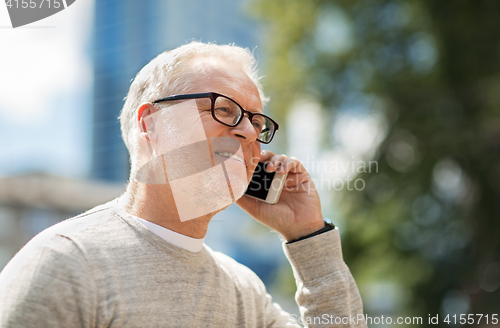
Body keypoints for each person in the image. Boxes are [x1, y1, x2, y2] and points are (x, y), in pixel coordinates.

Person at [0, 42, 366, 327]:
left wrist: (308, 237)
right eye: (224, 110)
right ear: (151, 123)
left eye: (257, 122)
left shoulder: (245, 291)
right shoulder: (65, 262)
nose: (249, 132)